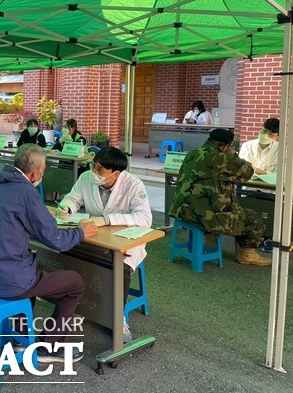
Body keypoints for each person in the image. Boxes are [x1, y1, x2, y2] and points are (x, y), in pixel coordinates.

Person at [0, 144, 97, 363]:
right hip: (11, 280)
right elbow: (56, 240)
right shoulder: (26, 192)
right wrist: (81, 232)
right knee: (75, 282)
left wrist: (40, 214)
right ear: (38, 171)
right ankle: (51, 347)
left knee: (36, 273)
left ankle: (21, 339)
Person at [57, 147, 151, 343]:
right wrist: (67, 207)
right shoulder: (86, 178)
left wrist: (106, 219)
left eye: (100, 170)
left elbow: (145, 218)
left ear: (116, 174)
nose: (94, 173)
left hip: (125, 241)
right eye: (94, 166)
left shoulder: (133, 185)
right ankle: (81, 304)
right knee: (72, 254)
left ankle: (118, 316)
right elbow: (73, 198)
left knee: (120, 268)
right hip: (95, 237)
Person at [169, 128, 271, 266]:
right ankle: (247, 254)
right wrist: (233, 155)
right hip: (206, 215)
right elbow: (248, 172)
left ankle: (209, 239)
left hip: (181, 210)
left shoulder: (192, 153)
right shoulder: (223, 158)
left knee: (209, 202)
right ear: (225, 146)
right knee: (252, 217)